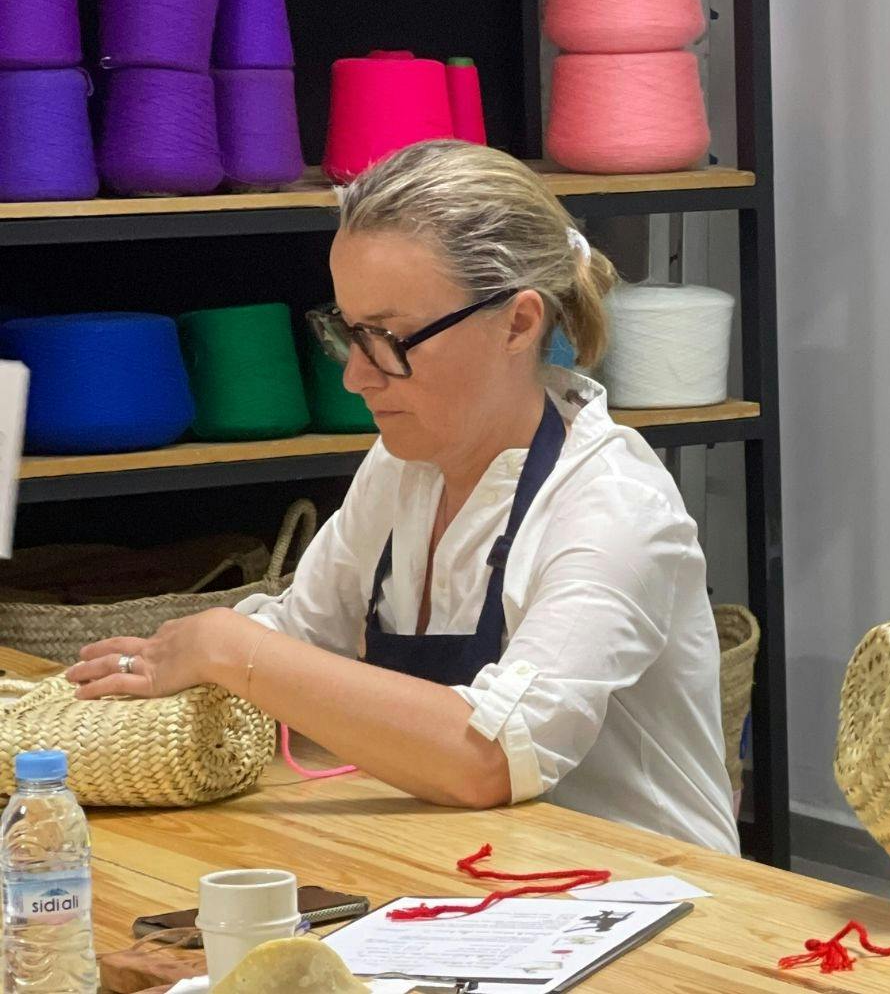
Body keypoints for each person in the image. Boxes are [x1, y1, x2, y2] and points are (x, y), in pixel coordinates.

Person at [68, 140, 740, 855]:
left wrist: (228, 648)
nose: (356, 378)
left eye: (390, 338)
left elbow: (491, 756)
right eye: (349, 333)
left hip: (658, 897)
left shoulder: (614, 507)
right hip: (486, 868)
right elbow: (302, 636)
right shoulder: (403, 466)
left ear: (518, 322)